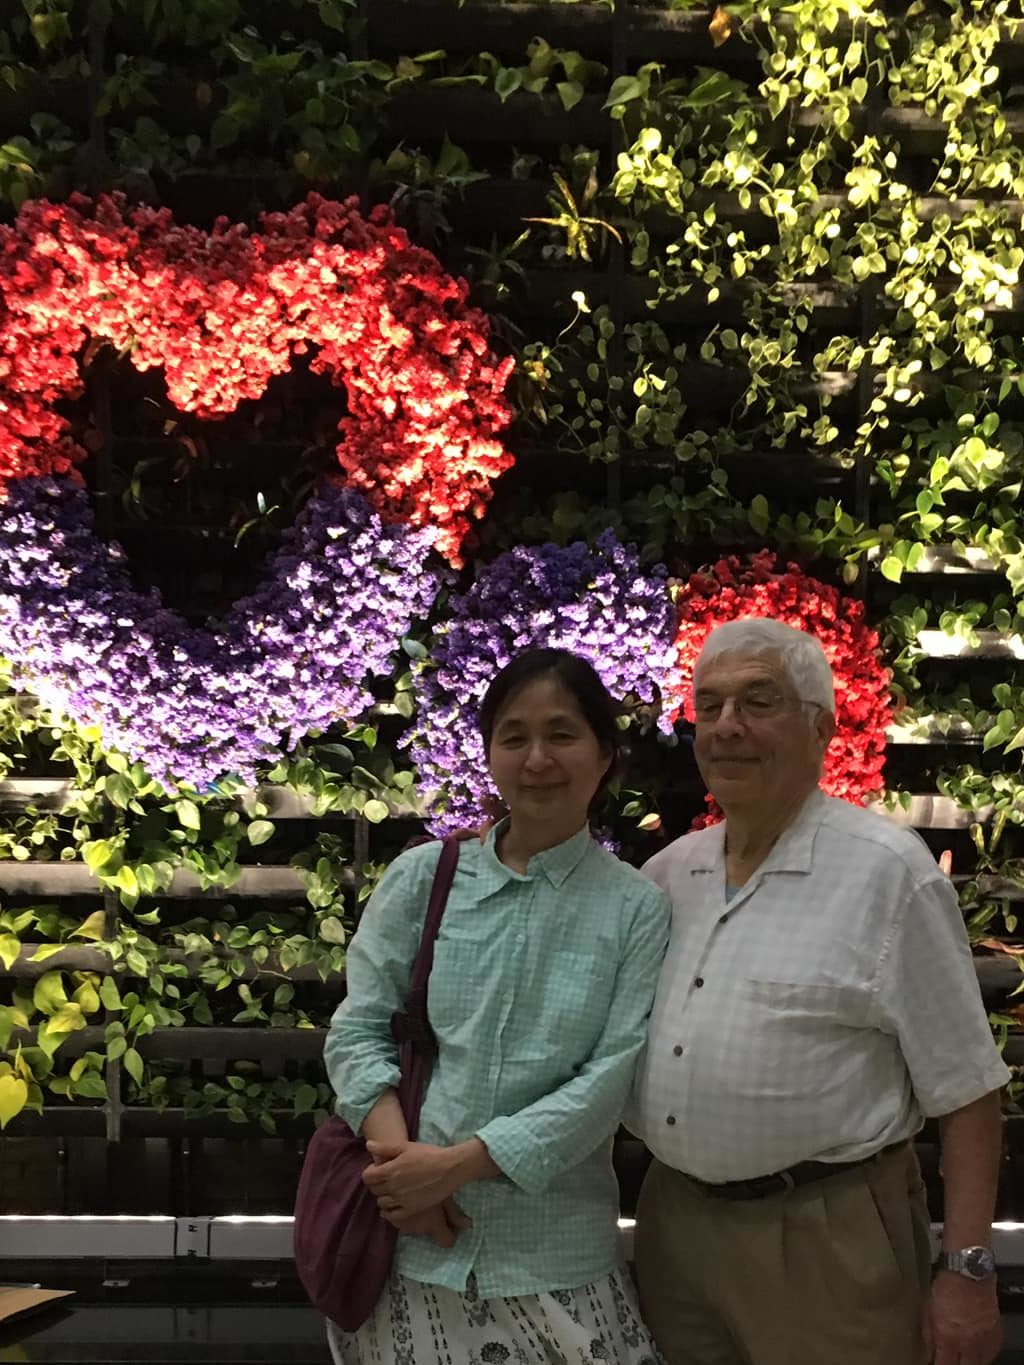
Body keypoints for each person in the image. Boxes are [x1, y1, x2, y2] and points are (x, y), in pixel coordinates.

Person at [630, 617, 1009, 1365]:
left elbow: (968, 1091)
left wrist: (968, 1272)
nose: (727, 726)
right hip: (674, 1229)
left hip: (827, 1238)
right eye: (710, 706)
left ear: (821, 728)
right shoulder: (669, 875)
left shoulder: (888, 874)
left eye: (758, 701)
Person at [323, 647, 671, 1365]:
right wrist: (406, 1175)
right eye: (514, 736)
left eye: (562, 733)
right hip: (409, 1248)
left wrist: (454, 1168)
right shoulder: (424, 878)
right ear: (489, 754)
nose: (537, 758)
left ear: (605, 753)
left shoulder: (636, 907)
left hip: (555, 1255)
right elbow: (358, 1031)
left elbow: (610, 1077)